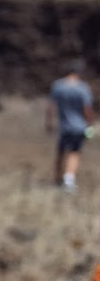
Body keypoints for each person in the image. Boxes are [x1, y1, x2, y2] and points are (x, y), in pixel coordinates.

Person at [46, 59, 94, 191]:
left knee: (61, 152)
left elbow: (52, 107)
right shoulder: (83, 88)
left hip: (64, 127)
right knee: (75, 153)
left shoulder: (58, 86)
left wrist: (49, 122)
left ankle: (57, 179)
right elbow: (87, 109)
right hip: (79, 127)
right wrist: (90, 124)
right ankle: (69, 180)